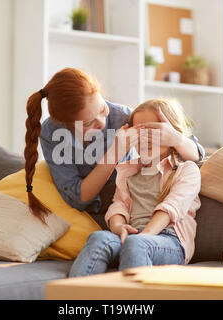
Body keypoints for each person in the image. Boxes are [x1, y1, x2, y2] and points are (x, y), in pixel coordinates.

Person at [23, 68, 204, 228]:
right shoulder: (51, 133)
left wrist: (177, 139)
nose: (101, 122)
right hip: (94, 217)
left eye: (102, 109)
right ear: (65, 124)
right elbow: (78, 198)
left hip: (129, 211)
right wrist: (114, 153)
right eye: (88, 122)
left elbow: (196, 156)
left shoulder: (123, 117)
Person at [69, 99, 201, 277]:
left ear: (171, 133)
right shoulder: (128, 170)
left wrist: (143, 236)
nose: (145, 137)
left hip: (170, 242)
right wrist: (119, 227)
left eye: (153, 131)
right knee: (99, 238)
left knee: (135, 244)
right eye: (139, 131)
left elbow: (170, 209)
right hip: (132, 236)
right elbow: (119, 205)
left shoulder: (186, 170)